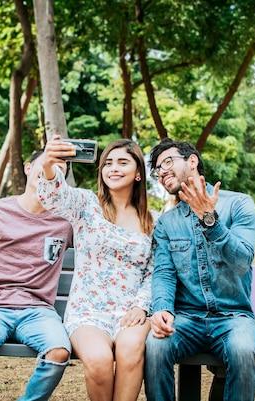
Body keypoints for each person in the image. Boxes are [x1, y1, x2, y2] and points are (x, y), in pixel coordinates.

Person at [37, 136, 155, 401]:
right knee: (100, 360)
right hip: (88, 312)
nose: (113, 168)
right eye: (108, 163)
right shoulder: (86, 205)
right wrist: (48, 163)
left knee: (131, 348)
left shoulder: (152, 221)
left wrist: (141, 306)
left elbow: (153, 272)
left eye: (123, 162)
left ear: (138, 173)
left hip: (132, 313)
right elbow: (53, 195)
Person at [144, 138, 255, 401]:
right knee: (155, 345)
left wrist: (210, 219)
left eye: (167, 162)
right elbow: (164, 272)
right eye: (157, 169)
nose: (162, 171)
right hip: (186, 319)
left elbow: (242, 262)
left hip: (234, 317)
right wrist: (161, 308)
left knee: (243, 350)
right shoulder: (166, 223)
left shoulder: (239, 204)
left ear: (192, 161)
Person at [0, 150, 74, 401]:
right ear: (28, 168)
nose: (51, 172)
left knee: (59, 352)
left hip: (38, 310)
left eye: (60, 170)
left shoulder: (66, 222)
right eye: (47, 164)